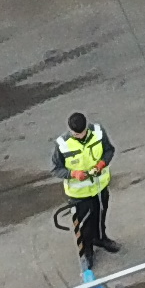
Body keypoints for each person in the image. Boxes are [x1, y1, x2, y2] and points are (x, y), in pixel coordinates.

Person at [54, 111, 118, 263]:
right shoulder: (62, 145)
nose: (80, 136)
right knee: (85, 224)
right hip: (79, 194)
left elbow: (109, 150)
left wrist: (102, 163)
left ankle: (101, 238)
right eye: (77, 134)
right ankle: (87, 252)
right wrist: (73, 174)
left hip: (99, 186)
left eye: (82, 133)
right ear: (71, 131)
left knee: (100, 215)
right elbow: (56, 168)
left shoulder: (98, 132)